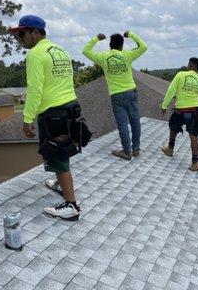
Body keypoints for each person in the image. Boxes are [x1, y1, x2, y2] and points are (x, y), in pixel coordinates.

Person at [9, 15, 81, 221]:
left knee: (57, 156)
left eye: (22, 33)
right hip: (71, 107)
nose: (20, 38)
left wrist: (27, 118)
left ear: (36, 32)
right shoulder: (60, 50)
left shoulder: (35, 55)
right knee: (63, 151)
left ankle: (71, 205)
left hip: (54, 112)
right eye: (17, 35)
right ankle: (61, 184)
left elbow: (34, 90)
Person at [82, 30, 148, 160]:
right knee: (135, 122)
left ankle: (126, 151)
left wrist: (96, 38)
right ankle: (135, 149)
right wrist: (131, 35)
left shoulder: (103, 57)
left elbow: (86, 51)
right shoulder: (127, 55)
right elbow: (144, 46)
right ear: (121, 46)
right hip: (131, 92)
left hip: (116, 95)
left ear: (110, 45)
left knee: (123, 124)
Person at [160, 57, 198, 172]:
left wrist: (164, 105)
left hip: (180, 110)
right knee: (194, 136)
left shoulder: (180, 75)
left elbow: (171, 90)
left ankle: (170, 149)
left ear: (190, 65)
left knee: (173, 127)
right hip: (194, 111)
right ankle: (195, 163)